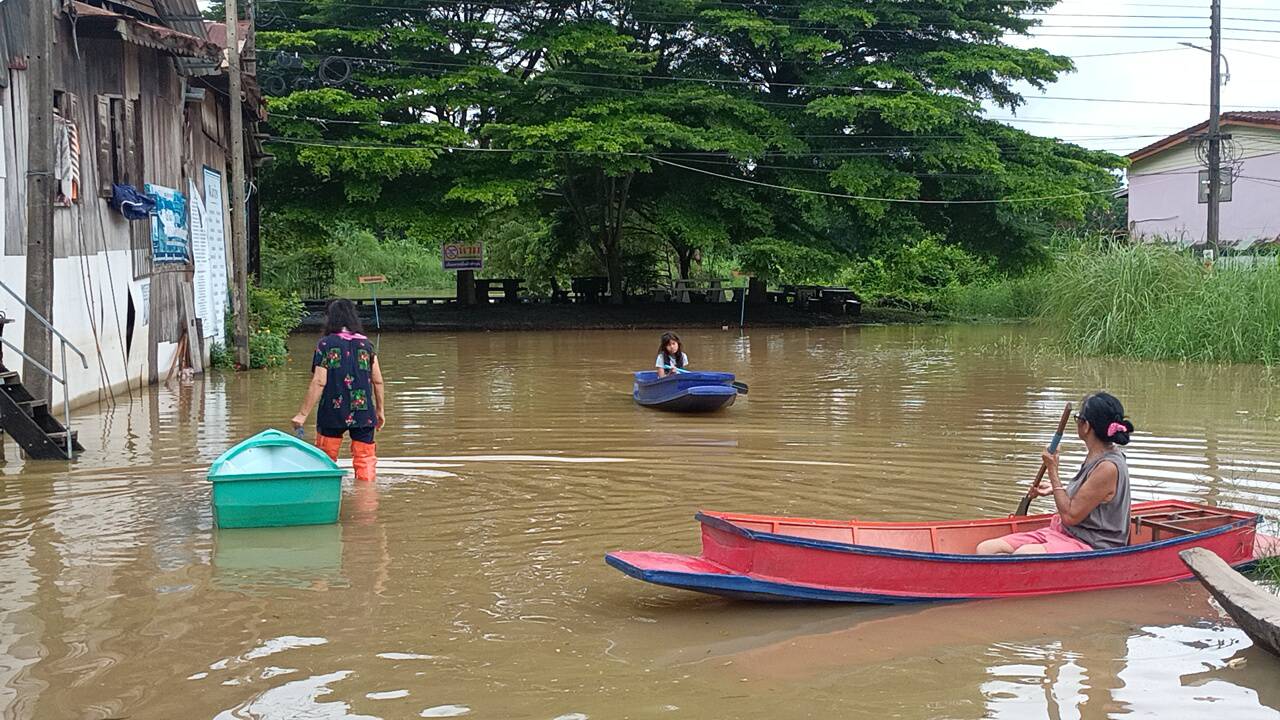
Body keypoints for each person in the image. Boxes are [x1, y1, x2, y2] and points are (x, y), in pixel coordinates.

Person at [977, 392, 1135, 555]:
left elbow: (1070, 516)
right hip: (1065, 532)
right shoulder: (1097, 454)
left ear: (1086, 426)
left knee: (1024, 554)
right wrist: (1055, 489)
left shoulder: (1108, 466)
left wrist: (1052, 471)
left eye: (1078, 418)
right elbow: (1091, 497)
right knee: (985, 549)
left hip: (1093, 543)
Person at [291, 299, 386, 481]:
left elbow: (319, 381)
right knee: (365, 460)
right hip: (363, 412)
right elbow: (378, 381)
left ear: (330, 318)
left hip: (333, 411)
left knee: (325, 459)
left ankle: (326, 496)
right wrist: (380, 411)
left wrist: (302, 414)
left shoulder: (326, 345)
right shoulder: (366, 345)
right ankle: (366, 502)